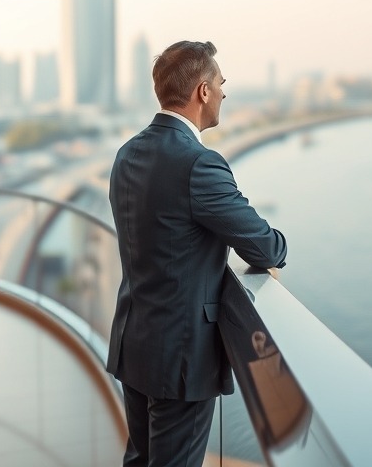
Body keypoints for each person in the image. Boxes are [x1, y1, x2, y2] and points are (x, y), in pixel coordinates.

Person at [107, 40, 288, 467]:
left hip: (133, 342)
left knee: (140, 460)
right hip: (181, 358)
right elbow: (264, 246)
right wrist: (281, 244)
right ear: (203, 92)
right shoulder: (198, 164)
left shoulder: (126, 155)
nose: (225, 93)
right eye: (222, 83)